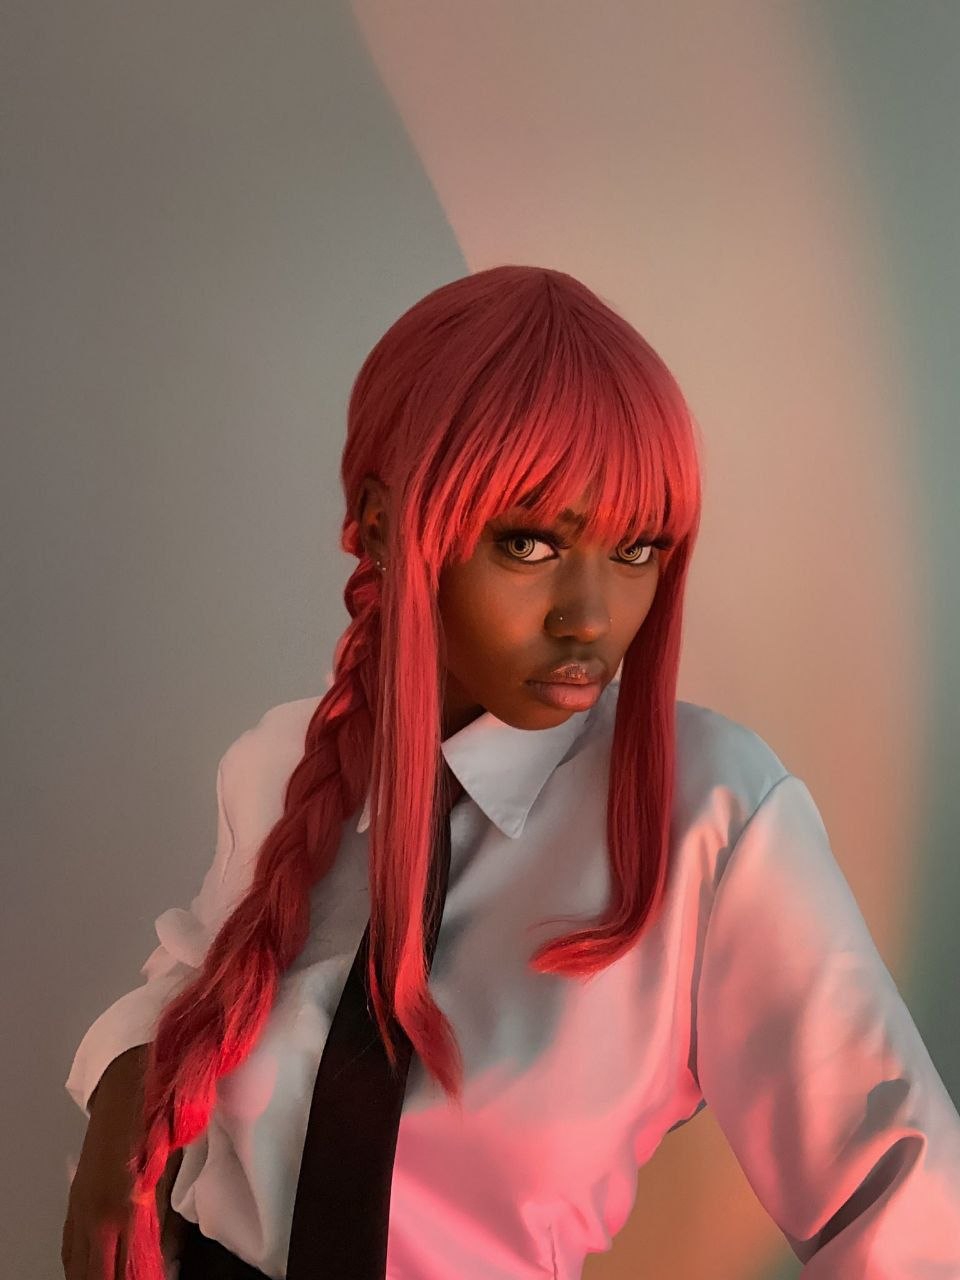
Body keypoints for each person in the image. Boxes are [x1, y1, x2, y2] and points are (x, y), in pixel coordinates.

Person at [62, 265, 960, 1280]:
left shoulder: (715, 819)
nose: (591, 616)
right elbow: (202, 975)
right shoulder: (279, 762)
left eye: (638, 549)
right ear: (382, 522)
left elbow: (906, 1210)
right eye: (530, 543)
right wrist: (122, 1114)